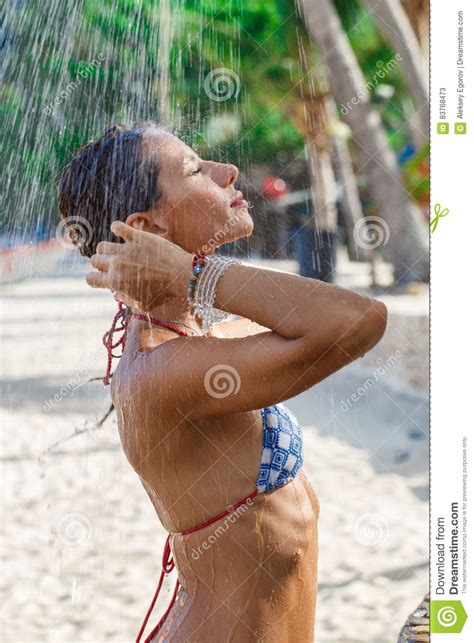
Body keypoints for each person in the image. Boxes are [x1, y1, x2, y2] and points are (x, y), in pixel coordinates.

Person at [59, 122, 387, 642]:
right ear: (149, 229)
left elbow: (321, 320)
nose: (226, 171)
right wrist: (196, 274)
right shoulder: (162, 371)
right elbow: (360, 320)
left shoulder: (205, 344)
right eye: (194, 169)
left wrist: (192, 278)